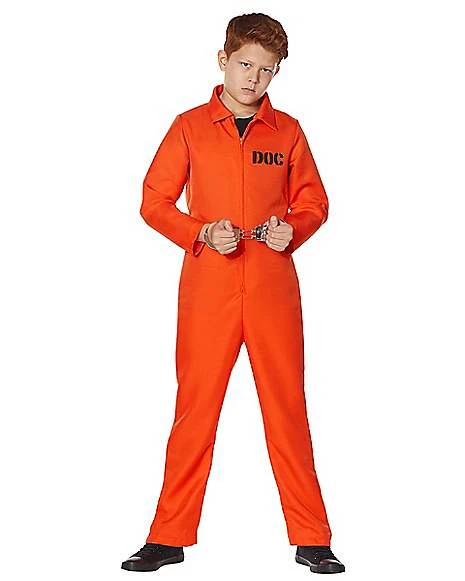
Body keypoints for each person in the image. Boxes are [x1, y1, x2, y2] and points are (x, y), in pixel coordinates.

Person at [121, 12, 345, 575]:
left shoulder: (288, 132)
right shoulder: (189, 127)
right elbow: (153, 201)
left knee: (287, 411)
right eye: (245, 64)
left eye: (266, 70)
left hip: (272, 288)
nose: (253, 78)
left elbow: (314, 201)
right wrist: (199, 232)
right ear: (223, 60)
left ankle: (312, 538)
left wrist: (294, 228)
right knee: (194, 411)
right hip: (209, 288)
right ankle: (167, 537)